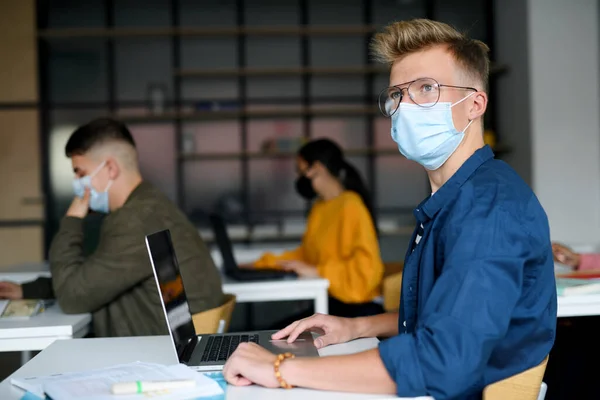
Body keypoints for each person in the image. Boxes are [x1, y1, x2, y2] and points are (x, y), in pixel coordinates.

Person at [221, 19, 557, 399]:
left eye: (426, 89)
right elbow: (441, 320)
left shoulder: (487, 210)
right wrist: (355, 328)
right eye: (397, 95)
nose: (406, 107)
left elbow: (441, 359)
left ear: (475, 104)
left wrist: (282, 369)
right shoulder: (455, 199)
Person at [0, 118, 224, 337]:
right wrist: (29, 291)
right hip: (173, 339)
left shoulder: (134, 219)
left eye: (81, 173)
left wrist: (72, 220)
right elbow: (98, 275)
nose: (77, 183)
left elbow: (72, 297)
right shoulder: (150, 204)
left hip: (157, 354)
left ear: (110, 168)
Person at [245, 138, 384, 318]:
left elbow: (366, 270)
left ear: (317, 167)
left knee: (278, 335)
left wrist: (317, 271)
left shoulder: (351, 206)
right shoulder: (320, 207)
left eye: (301, 170)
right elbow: (306, 255)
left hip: (358, 307)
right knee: (276, 332)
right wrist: (260, 265)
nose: (299, 177)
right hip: (332, 301)